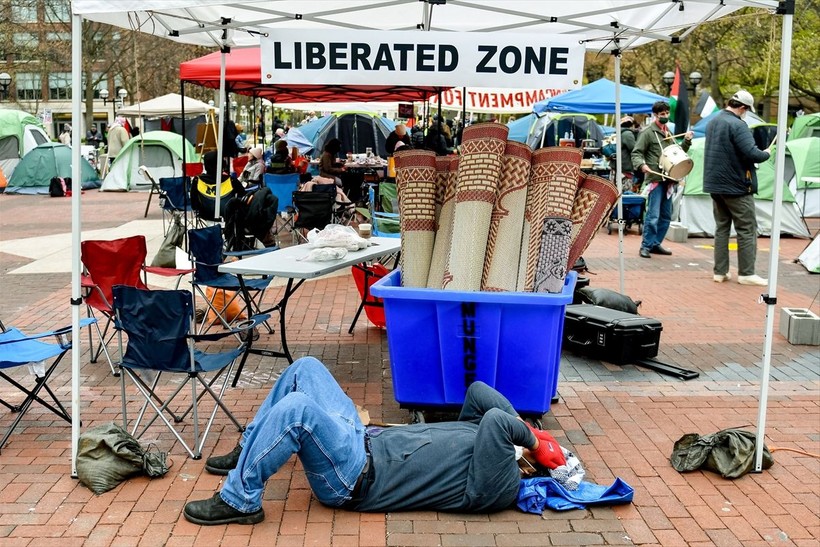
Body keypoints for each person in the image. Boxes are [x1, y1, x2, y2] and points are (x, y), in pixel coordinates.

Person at [183, 357, 564, 525]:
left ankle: (240, 500)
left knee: (298, 410)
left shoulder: (496, 485)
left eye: (528, 457)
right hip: (360, 438)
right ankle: (250, 448)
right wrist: (525, 427)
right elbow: (480, 393)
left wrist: (532, 439)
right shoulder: (480, 435)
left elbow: (498, 422)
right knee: (306, 368)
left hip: (353, 477)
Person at [703, 90, 771, 286]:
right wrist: (766, 153)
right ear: (742, 108)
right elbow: (753, 154)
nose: (746, 114)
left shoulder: (713, 122)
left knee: (722, 228)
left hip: (715, 185)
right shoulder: (738, 125)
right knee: (747, 229)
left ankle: (720, 272)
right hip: (737, 186)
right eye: (746, 110)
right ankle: (747, 273)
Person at [631, 101, 692, 259]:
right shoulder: (647, 133)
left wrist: (686, 141)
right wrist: (641, 165)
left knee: (666, 215)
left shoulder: (668, 132)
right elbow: (636, 153)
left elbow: (678, 153)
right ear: (655, 115)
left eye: (666, 113)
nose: (665, 116)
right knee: (653, 215)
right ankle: (645, 245)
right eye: (662, 114)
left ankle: (655, 243)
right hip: (656, 178)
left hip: (669, 179)